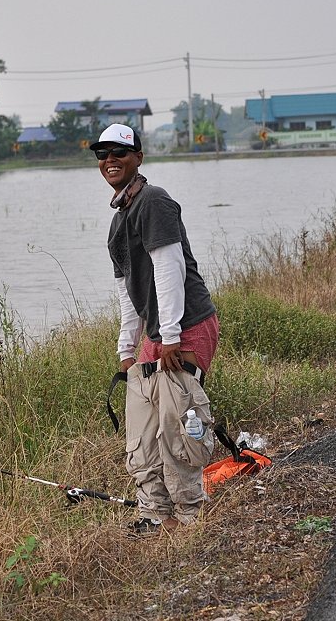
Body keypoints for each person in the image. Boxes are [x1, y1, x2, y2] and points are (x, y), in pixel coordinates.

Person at [91, 123, 220, 536]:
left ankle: (189, 518)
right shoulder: (118, 223)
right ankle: (154, 514)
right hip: (155, 336)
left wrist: (170, 337)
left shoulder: (155, 202)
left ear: (138, 158)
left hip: (187, 326)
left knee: (177, 427)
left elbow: (170, 269)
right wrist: (126, 348)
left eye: (119, 152)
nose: (110, 160)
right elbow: (127, 292)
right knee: (141, 430)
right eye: (102, 154)